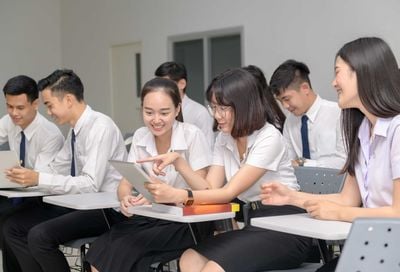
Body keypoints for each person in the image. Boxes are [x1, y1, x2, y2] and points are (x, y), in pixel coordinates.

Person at [140, 68, 312, 272]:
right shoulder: (224, 138)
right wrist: (180, 163)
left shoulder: (268, 137)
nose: (217, 115)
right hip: (255, 224)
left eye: (223, 108)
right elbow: (209, 189)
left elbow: (228, 193)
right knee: (189, 258)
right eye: (213, 107)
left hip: (287, 227)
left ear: (243, 106)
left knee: (214, 267)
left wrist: (178, 194)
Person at [261, 37, 400, 272]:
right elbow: (347, 198)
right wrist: (291, 197)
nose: (333, 82)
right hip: (375, 244)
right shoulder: (363, 130)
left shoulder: (397, 128)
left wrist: (339, 213)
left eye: (338, 72)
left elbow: (397, 213)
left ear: (363, 72)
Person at [3, 69, 127, 272]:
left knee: (39, 236)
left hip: (105, 210)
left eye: (49, 105)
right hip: (79, 204)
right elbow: (56, 166)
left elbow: (90, 184)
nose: (48, 112)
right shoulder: (75, 131)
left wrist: (38, 177)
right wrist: (25, 177)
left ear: (68, 99)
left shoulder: (100, 127)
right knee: (12, 227)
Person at [85, 77, 213, 272]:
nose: (156, 120)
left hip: (185, 220)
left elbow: (203, 189)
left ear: (177, 110)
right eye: (149, 112)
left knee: (125, 249)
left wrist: (179, 165)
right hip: (152, 216)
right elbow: (125, 184)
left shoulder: (192, 135)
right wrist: (125, 199)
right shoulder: (140, 136)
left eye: (164, 113)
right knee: (101, 248)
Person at [0, 75, 64, 272]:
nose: (14, 113)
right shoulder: (9, 120)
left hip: (41, 196)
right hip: (16, 192)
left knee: (7, 222)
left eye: (20, 108)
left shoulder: (50, 134)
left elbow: (38, 177)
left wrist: (21, 176)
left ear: (35, 104)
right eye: (9, 106)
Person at [269, 59, 346, 169]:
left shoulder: (338, 114)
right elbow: (287, 162)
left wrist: (303, 163)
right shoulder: (290, 122)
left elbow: (344, 161)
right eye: (280, 101)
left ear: (305, 88)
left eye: (286, 99)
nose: (285, 106)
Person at [155, 61, 215, 148]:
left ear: (182, 84)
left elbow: (208, 148)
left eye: (165, 84)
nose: (159, 88)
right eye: (157, 84)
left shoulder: (200, 113)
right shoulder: (155, 111)